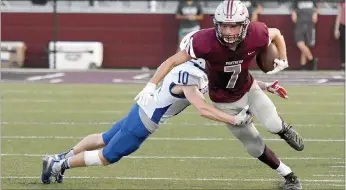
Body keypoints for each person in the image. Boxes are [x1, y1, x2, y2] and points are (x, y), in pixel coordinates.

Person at [41, 33, 255, 185]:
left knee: (104, 137)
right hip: (144, 122)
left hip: (141, 111)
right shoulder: (191, 76)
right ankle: (58, 165)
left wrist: (261, 86)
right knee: (107, 156)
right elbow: (203, 109)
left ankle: (61, 157)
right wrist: (233, 120)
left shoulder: (191, 69)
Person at [135, 1, 304, 189]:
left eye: (234, 26)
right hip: (224, 100)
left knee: (272, 124)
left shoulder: (255, 33)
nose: (229, 31)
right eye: (224, 25)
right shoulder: (203, 43)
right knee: (254, 146)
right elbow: (173, 61)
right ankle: (289, 176)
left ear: (245, 25)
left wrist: (283, 58)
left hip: (249, 88)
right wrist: (151, 85)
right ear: (216, 24)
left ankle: (283, 129)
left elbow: (277, 35)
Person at [291, 0, 319, 70]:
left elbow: (317, 8)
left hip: (310, 24)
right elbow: (293, 9)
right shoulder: (296, 1)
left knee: (306, 45)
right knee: (300, 43)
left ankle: (303, 65)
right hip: (299, 24)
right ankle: (312, 59)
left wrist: (315, 14)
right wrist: (293, 14)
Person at [334, 2, 345, 70]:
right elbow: (339, 16)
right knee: (343, 45)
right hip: (343, 26)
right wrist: (336, 29)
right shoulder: (342, 4)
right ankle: (343, 64)